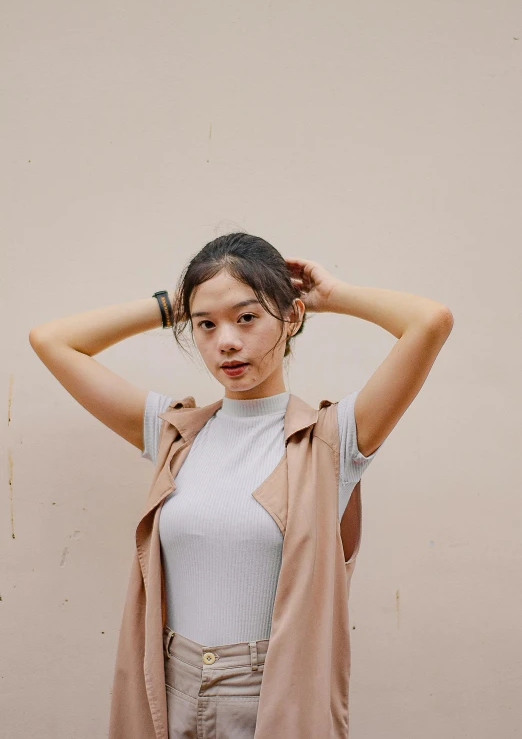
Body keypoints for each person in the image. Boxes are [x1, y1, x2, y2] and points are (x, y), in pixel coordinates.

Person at [29, 231, 454, 738]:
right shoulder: (175, 432)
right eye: (206, 325)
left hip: (272, 693)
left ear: (291, 318)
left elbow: (430, 322)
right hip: (170, 685)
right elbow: (51, 340)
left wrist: (330, 297)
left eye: (247, 317)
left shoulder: (332, 439)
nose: (226, 340)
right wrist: (177, 304)